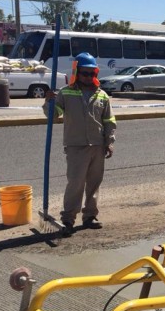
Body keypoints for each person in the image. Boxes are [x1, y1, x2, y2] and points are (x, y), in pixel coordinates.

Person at [43, 52, 116, 237]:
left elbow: (109, 121)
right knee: (75, 184)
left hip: (97, 146)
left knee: (94, 184)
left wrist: (109, 142)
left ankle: (90, 216)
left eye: (92, 74)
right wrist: (49, 102)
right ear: (77, 72)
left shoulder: (102, 95)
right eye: (85, 73)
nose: (89, 77)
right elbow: (53, 115)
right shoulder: (65, 93)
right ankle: (68, 219)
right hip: (76, 146)